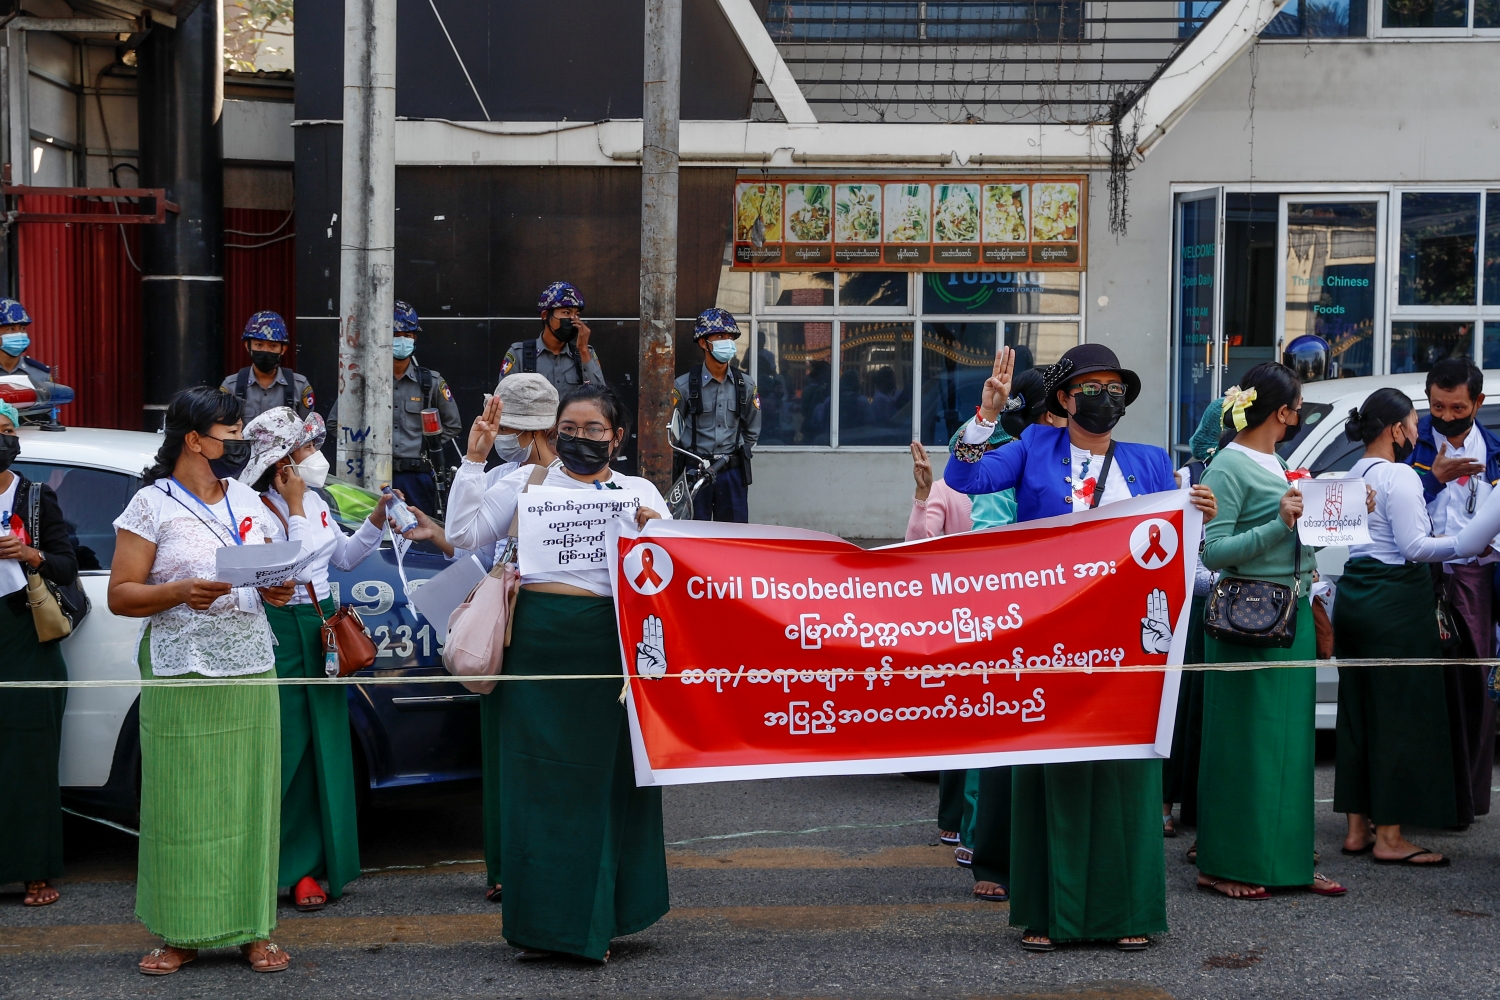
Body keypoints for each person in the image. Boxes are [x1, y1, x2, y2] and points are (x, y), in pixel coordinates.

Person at [943, 342, 1218, 952]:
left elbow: (1175, 547)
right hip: (1052, 639)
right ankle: (1046, 911)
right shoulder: (1031, 447)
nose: (1106, 397)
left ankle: (1127, 912)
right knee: (1054, 770)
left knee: (1125, 774)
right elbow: (962, 476)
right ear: (1065, 399)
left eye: (1114, 387)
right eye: (1092, 387)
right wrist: (985, 418)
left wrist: (1199, 511)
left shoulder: (1151, 463)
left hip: (1128, 646)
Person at [444, 384, 669, 961]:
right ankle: (544, 927)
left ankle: (599, 920)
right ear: (553, 431)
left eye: (594, 429)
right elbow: (463, 537)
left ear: (617, 438)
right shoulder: (525, 482)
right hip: (538, 648)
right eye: (569, 428)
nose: (580, 438)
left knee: (601, 785)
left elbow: (669, 573)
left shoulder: (639, 492)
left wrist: (652, 532)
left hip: (606, 651)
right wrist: (474, 459)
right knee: (537, 787)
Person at [107, 386, 295, 975]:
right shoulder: (151, 504)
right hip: (182, 663)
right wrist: (178, 592)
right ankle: (181, 932)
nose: (239, 445)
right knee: (182, 803)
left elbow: (270, 572)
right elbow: (121, 595)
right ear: (194, 440)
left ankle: (253, 928)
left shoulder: (247, 498)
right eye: (229, 434)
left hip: (250, 662)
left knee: (251, 798)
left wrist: (277, 589)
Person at [1195, 365, 1347, 900]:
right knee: (1246, 745)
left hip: (1292, 613)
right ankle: (1227, 862)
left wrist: (1346, 514)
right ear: (1283, 412)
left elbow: (1297, 537)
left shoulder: (1277, 461)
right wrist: (1279, 522)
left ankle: (1290, 863)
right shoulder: (1229, 465)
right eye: (1298, 405)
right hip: (1249, 617)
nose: (1299, 414)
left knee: (1288, 745)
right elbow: (1213, 552)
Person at [241, 408, 388, 912]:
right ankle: (271, 868)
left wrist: (376, 521)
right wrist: (297, 507)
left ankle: (314, 867)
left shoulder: (318, 501)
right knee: (288, 751)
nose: (314, 458)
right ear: (281, 463)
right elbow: (290, 566)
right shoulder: (256, 508)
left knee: (326, 747)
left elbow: (342, 558)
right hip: (284, 629)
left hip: (322, 624)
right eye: (304, 450)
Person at [434, 372, 559, 905]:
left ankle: (527, 863)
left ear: (530, 432)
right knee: (533, 748)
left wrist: (474, 462)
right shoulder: (514, 477)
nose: (500, 434)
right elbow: (460, 536)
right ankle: (523, 863)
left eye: (505, 427)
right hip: (537, 627)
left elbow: (463, 535)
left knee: (528, 748)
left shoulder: (526, 479)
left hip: (537, 629)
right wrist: (476, 463)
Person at [1335, 388, 1466, 868]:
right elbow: (1413, 547)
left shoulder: (1352, 474)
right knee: (1397, 717)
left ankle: (1356, 829)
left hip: (1355, 596)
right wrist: (1467, 541)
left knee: (1358, 715)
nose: (1420, 433)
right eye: (1415, 424)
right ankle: (1389, 835)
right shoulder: (1398, 475)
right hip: (1395, 602)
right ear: (1395, 430)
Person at [1406, 357, 1497, 825]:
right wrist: (1432, 479)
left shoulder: (1496, 451)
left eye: (1456, 406)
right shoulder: (1409, 445)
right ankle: (1424, 799)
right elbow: (1384, 507)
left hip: (1478, 580)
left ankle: (1466, 800)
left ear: (1477, 403)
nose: (1444, 416)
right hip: (1422, 578)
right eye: (1436, 406)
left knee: (1478, 692)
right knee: (1423, 688)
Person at [0, 400, 79, 907]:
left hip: (22, 632)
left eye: (5, 428)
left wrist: (30, 554)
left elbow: (68, 564)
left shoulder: (34, 496)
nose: (2, 437)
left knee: (29, 753)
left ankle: (34, 869)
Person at [1162, 397, 1226, 840]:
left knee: (1210, 713)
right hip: (1193, 609)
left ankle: (1202, 808)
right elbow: (1185, 557)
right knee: (1180, 708)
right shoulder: (1189, 479)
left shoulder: (1266, 467)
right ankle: (1163, 803)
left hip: (1225, 607)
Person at [332, 301, 463, 516]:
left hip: (416, 477)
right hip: (371, 474)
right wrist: (362, 442)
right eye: (396, 334)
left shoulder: (429, 382)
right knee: (370, 534)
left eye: (408, 335)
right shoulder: (363, 380)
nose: (402, 340)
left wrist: (426, 446)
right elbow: (335, 423)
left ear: (415, 338)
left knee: (420, 535)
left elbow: (452, 424)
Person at [671, 308, 761, 522]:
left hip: (731, 474)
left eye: (730, 337)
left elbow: (752, 431)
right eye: (720, 336)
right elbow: (673, 432)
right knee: (692, 535)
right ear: (703, 343)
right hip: (694, 471)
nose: (727, 342)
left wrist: (732, 457)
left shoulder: (745, 385)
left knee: (734, 537)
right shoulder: (683, 386)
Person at [500, 281, 605, 393]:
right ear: (545, 315)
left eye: (577, 315)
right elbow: (505, 399)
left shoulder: (585, 353)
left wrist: (583, 350)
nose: (573, 319)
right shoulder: (519, 354)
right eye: (566, 313)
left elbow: (601, 398)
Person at [219, 311, 314, 427]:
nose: (266, 351)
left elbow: (308, 433)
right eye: (259, 345)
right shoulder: (231, 387)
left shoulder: (300, 386)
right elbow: (221, 431)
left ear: (283, 349)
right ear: (247, 346)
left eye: (273, 346)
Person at [0, 297, 70, 423]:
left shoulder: (40, 374)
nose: (20, 334)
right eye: (10, 329)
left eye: (22, 328)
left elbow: (48, 422)